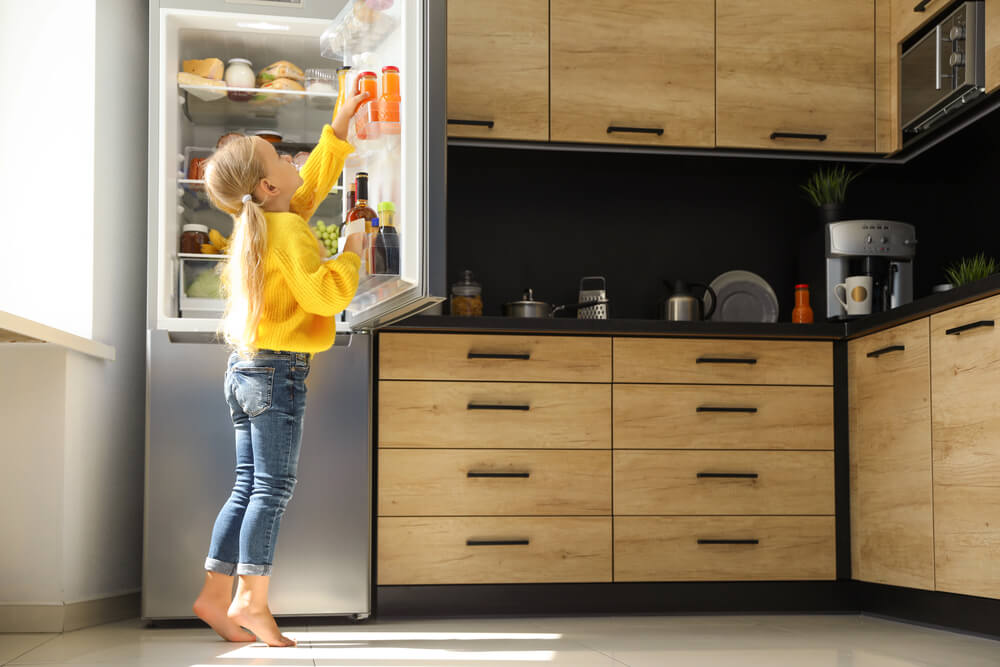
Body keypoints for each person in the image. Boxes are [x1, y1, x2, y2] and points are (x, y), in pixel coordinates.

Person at [190, 89, 370, 647]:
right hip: (276, 375)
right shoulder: (288, 229)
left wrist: (336, 131)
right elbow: (321, 295)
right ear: (268, 187)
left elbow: (306, 189)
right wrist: (353, 252)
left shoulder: (262, 221)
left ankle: (215, 596)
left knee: (247, 486)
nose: (293, 163)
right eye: (282, 161)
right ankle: (253, 600)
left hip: (245, 371)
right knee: (273, 488)